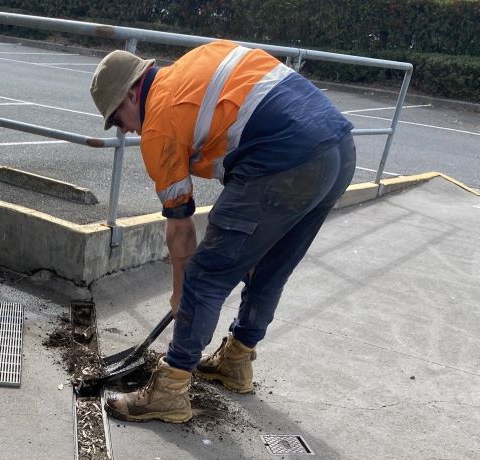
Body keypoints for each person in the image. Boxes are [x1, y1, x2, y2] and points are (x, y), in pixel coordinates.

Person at [90, 41, 356, 422]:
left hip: (284, 160)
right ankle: (236, 361)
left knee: (204, 275)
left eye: (119, 118)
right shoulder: (195, 63)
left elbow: (181, 230)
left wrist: (182, 292)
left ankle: (170, 387)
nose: (126, 130)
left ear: (133, 93)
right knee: (269, 268)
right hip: (339, 150)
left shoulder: (159, 124)